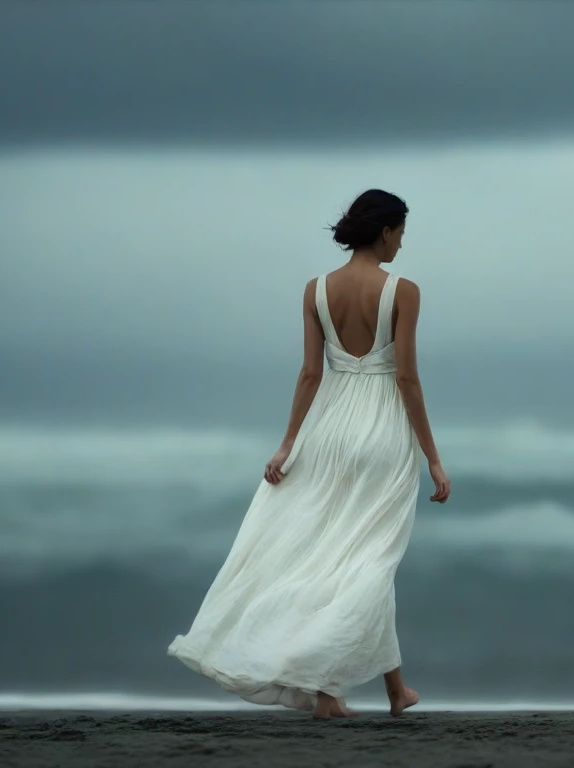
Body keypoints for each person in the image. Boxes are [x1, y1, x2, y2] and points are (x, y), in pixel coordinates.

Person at [167, 189, 451, 720]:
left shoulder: (316, 290)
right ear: (386, 231)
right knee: (370, 562)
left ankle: (380, 691)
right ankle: (330, 686)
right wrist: (432, 457)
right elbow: (407, 378)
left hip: (329, 428)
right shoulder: (403, 292)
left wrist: (288, 444)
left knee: (338, 557)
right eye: (402, 233)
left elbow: (310, 374)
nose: (402, 244)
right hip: (382, 431)